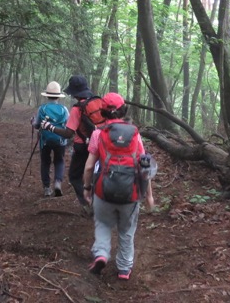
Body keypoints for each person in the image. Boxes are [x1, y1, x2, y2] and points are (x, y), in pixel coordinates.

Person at [82, 92, 155, 281]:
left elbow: (89, 166)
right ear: (123, 110)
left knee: (103, 224)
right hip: (130, 194)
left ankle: (101, 254)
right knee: (126, 231)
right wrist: (148, 196)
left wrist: (87, 188)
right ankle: (124, 269)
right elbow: (144, 167)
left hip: (103, 192)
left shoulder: (98, 134)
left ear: (102, 112)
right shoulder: (135, 134)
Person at [42, 75, 104, 214]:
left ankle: (88, 204)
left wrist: (50, 127)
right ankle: (99, 203)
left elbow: (69, 133)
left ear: (74, 93)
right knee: (96, 174)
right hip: (101, 144)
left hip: (83, 147)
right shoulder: (98, 102)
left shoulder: (77, 109)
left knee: (75, 176)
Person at [31, 81, 70, 197]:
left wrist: (32, 122)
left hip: (45, 141)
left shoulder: (42, 109)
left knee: (45, 162)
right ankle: (58, 183)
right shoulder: (64, 109)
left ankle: (47, 188)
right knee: (59, 161)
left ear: (47, 95)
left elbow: (37, 125)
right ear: (58, 96)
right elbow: (69, 126)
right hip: (61, 140)